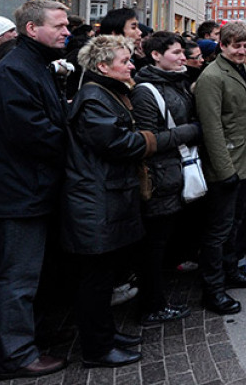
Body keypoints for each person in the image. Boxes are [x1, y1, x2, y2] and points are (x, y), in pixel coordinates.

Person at [63, 36, 184, 367]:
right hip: (96, 199)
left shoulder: (107, 93)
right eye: (124, 61)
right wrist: (159, 138)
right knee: (96, 279)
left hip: (107, 196)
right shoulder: (94, 98)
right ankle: (97, 348)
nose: (132, 65)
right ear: (103, 67)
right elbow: (120, 144)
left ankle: (105, 334)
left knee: (104, 276)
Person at [0, 0, 72, 379]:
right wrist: (76, 143)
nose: (67, 31)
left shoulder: (35, 65)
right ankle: (17, 355)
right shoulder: (14, 70)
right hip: (21, 192)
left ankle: (32, 338)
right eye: (59, 25)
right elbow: (33, 132)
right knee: (17, 277)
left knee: (31, 274)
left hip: (34, 187)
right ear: (32, 29)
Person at [129, 32, 203, 326]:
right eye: (176, 53)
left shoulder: (178, 82)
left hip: (175, 174)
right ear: (155, 56)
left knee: (163, 241)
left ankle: (157, 298)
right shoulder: (146, 91)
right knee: (153, 245)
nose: (183, 57)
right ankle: (152, 304)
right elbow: (148, 140)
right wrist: (192, 131)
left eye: (183, 53)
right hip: (159, 178)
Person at [195, 22, 246, 315]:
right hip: (226, 165)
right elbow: (211, 128)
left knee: (237, 223)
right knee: (219, 231)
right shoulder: (211, 77)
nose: (242, 50)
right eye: (236, 45)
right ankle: (213, 290)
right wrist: (225, 170)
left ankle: (232, 270)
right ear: (222, 46)